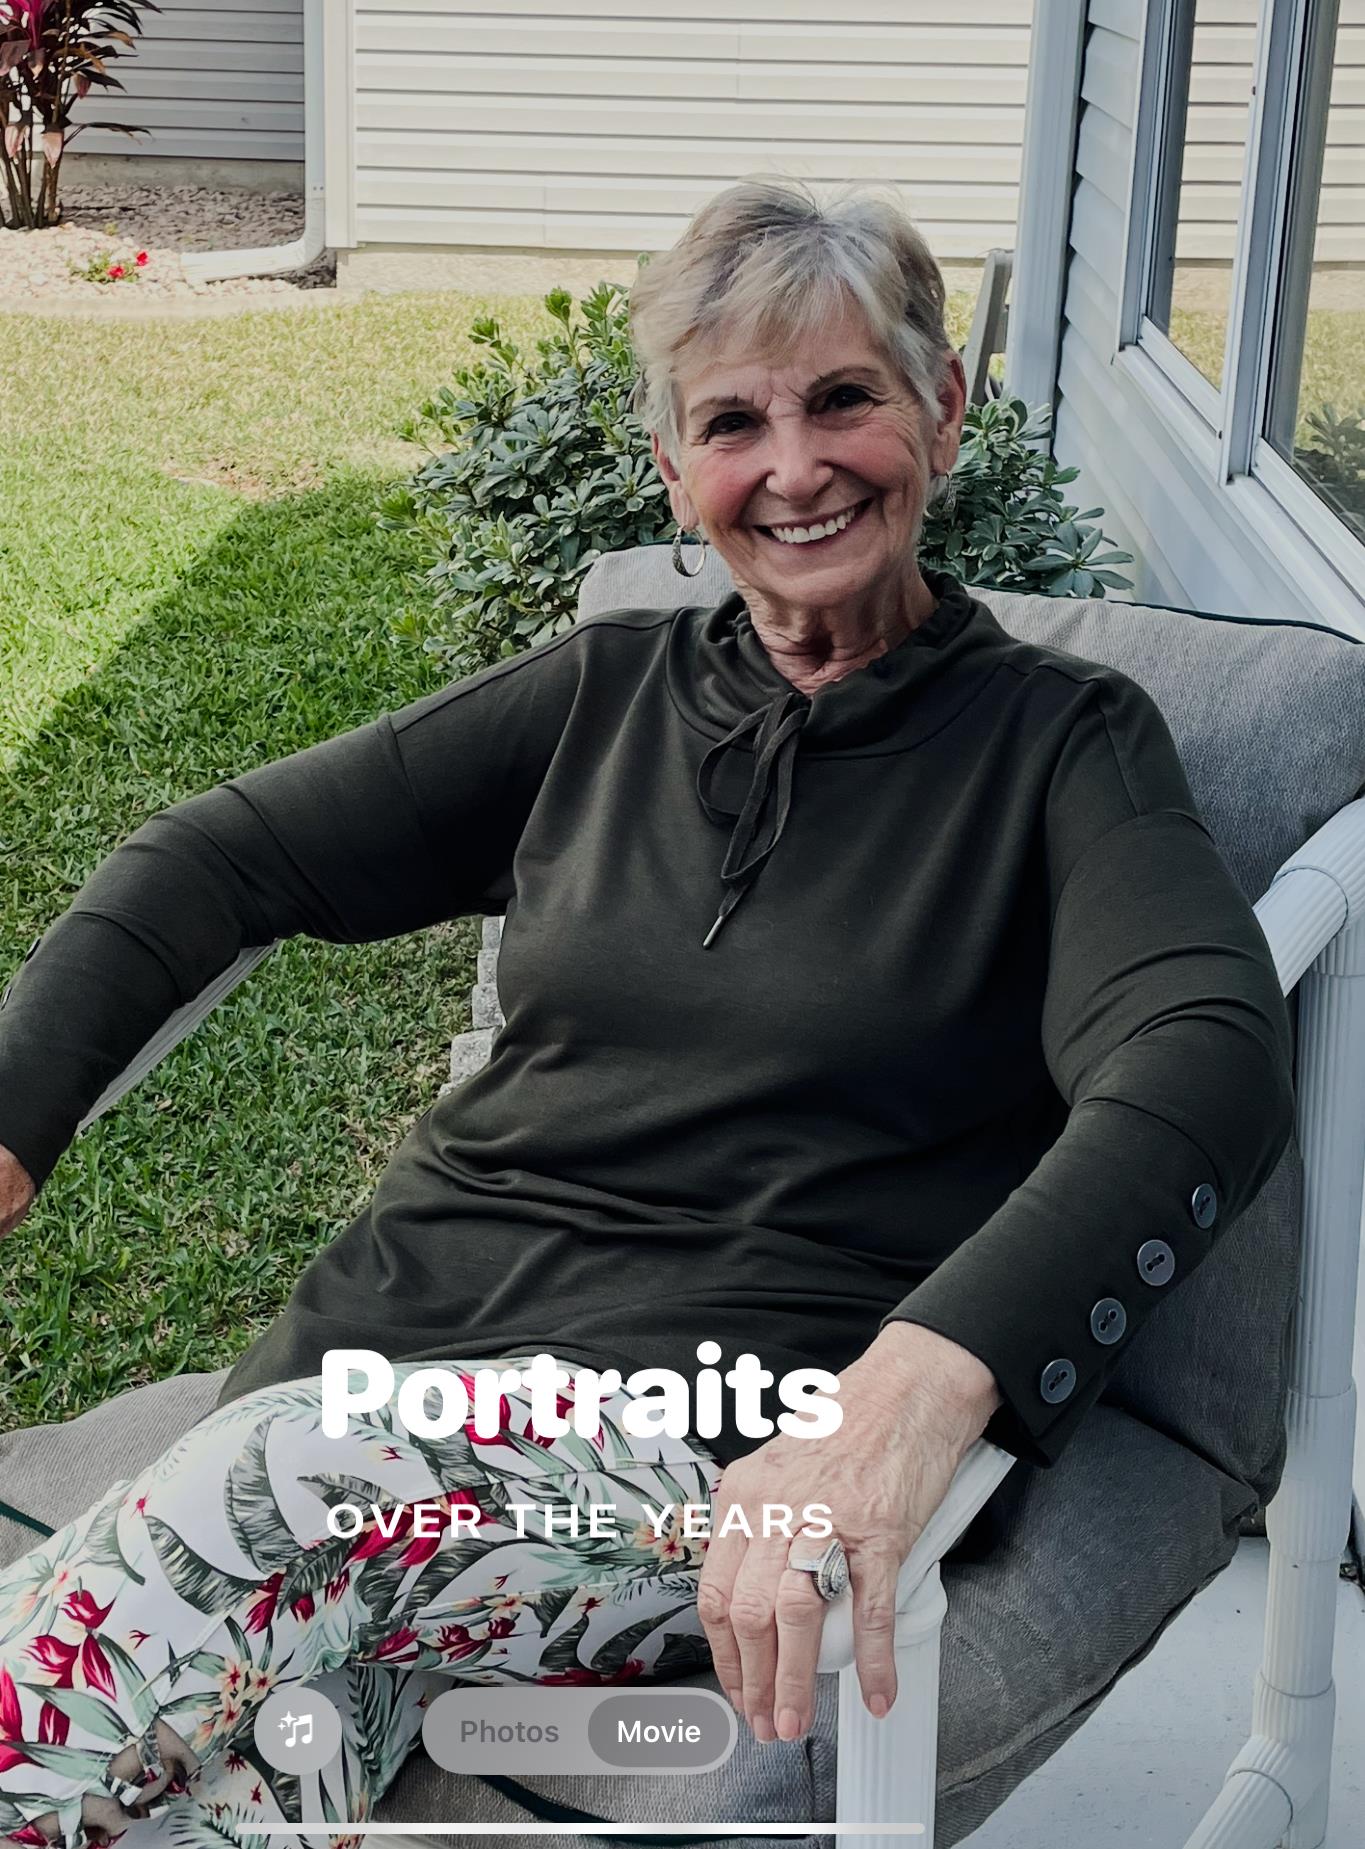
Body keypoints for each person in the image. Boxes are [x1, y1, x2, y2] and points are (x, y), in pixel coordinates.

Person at [0, 178, 1295, 1849]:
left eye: (843, 398)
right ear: (675, 470)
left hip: (696, 1444)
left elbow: (1199, 1057)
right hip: (370, 1387)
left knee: (259, 1505)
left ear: (941, 409)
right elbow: (218, 854)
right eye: (731, 422)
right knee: (219, 1779)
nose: (795, 466)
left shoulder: (1059, 747)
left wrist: (913, 1387)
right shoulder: (605, 693)